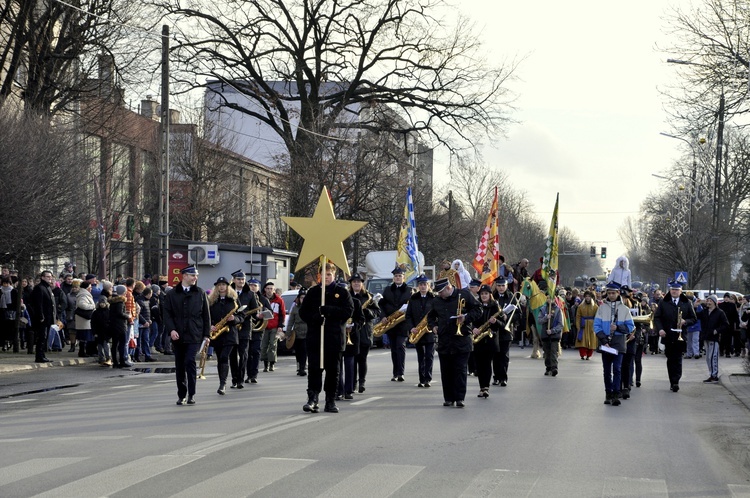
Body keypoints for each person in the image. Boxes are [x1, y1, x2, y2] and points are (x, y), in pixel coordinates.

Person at [298, 262, 354, 414]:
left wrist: (329, 311)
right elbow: (303, 312)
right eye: (323, 275)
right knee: (314, 369)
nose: (326, 277)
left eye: (329, 275)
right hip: (316, 338)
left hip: (334, 339)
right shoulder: (313, 292)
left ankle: (330, 400)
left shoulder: (342, 292)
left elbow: (348, 311)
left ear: (334, 275)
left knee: (332, 371)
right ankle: (312, 398)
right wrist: (315, 317)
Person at [427, 278, 481, 408]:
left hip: (462, 339)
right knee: (446, 371)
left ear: (448, 288)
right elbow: (430, 316)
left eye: (441, 292)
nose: (439, 295)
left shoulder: (465, 294)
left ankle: (459, 398)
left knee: (460, 370)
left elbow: (478, 310)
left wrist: (466, 318)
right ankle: (448, 398)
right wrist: (433, 326)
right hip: (444, 340)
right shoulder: (437, 301)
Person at [163, 265, 211, 405]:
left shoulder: (200, 293)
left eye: (196, 276)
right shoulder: (172, 294)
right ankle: (181, 394)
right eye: (192, 275)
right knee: (180, 365)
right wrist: (171, 330)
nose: (195, 278)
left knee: (190, 361)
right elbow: (167, 314)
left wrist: (206, 335)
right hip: (178, 335)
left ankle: (192, 394)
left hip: (194, 334)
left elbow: (206, 316)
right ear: (184, 276)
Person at [594, 282, 635, 405]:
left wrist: (617, 327)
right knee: (606, 370)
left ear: (618, 293)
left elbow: (630, 327)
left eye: (613, 293)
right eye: (609, 293)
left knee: (617, 368)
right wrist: (604, 340)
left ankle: (617, 393)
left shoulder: (624, 309)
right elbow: (596, 326)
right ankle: (608, 393)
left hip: (618, 341)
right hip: (605, 341)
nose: (611, 295)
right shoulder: (601, 308)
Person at [653, 280, 697, 393]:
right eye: (672, 289)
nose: (674, 291)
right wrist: (661, 329)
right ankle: (672, 380)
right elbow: (657, 318)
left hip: (680, 335)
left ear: (681, 291)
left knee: (677, 358)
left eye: (677, 290)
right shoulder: (664, 302)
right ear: (670, 290)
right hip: (668, 334)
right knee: (670, 358)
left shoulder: (687, 302)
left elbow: (693, 318)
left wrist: (685, 321)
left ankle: (676, 381)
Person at [208, 276, 243, 395]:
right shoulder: (212, 301)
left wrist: (235, 318)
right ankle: (221, 382)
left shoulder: (233, 300)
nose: (221, 287)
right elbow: (207, 317)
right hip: (218, 334)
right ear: (216, 287)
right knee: (220, 359)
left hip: (230, 334)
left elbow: (242, 316)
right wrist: (210, 326)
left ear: (227, 287)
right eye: (219, 285)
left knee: (224, 357)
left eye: (224, 285)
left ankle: (223, 384)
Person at [379, 266, 412, 382]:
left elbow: (412, 306)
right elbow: (381, 304)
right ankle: (395, 372)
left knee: (400, 346)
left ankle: (401, 372)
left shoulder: (409, 290)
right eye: (396, 276)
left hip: (403, 323)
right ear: (393, 278)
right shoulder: (388, 290)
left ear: (404, 277)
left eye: (400, 276)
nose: (398, 278)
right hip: (390, 323)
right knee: (393, 348)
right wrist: (383, 316)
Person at [229, 270, 260, 388]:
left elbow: (255, 310)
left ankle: (240, 379)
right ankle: (234, 379)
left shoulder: (250, 294)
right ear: (234, 280)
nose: (241, 281)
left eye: (243, 279)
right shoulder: (229, 292)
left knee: (244, 354)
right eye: (239, 279)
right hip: (231, 327)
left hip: (245, 327)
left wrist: (258, 315)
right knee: (232, 355)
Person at [405, 274, 436, 388]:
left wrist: (434, 326)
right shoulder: (413, 299)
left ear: (429, 286)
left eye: (425, 284)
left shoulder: (434, 298)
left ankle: (427, 378)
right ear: (418, 286)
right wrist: (411, 327)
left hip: (429, 332)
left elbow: (437, 315)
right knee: (420, 356)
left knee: (429, 356)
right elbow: (408, 316)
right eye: (421, 284)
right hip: (417, 331)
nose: (423, 287)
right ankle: (421, 379)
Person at [471, 285, 501, 398]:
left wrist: (495, 322)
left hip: (490, 340)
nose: (484, 296)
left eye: (486, 294)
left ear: (490, 295)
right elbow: (470, 319)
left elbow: (503, 324)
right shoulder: (475, 305)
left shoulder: (495, 306)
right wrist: (473, 328)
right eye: (482, 294)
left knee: (487, 364)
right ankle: (481, 387)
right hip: (478, 339)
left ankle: (485, 388)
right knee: (479, 366)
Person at [351, 274, 378, 393]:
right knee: (352, 359)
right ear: (351, 284)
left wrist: (367, 312)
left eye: (359, 282)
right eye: (354, 282)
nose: (356, 283)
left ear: (362, 284)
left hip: (365, 331)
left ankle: (362, 381)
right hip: (351, 330)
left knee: (362, 358)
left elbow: (377, 312)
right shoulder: (347, 296)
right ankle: (352, 383)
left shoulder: (368, 297)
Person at [697, 294, 728, 383]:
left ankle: (714, 375)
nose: (708, 302)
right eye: (707, 300)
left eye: (710, 301)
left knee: (713, 357)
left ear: (714, 302)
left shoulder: (720, 312)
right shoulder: (704, 312)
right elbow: (696, 316)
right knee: (708, 358)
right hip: (706, 337)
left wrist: (717, 330)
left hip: (714, 338)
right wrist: (695, 306)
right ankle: (711, 374)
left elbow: (725, 324)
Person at [245, 278, 271, 383]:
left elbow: (270, 312)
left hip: (258, 328)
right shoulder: (245, 297)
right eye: (250, 285)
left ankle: (254, 374)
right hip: (247, 328)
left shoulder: (263, 300)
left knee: (255, 351)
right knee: (247, 353)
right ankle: (248, 374)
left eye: (255, 286)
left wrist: (262, 315)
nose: (252, 287)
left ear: (258, 287)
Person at [491, 276, 515, 386]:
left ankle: (503, 378)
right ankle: (496, 376)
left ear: (506, 285)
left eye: (503, 285)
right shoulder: (492, 297)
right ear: (496, 286)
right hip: (495, 330)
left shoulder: (512, 297)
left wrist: (508, 317)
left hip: (506, 330)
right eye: (499, 285)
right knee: (495, 355)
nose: (501, 288)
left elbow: (518, 314)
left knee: (504, 356)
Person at [28, 270, 56, 363]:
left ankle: (42, 355)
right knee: (41, 337)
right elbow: (38, 304)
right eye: (47, 276)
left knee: (44, 337)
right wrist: (41, 316)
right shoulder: (39, 288)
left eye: (50, 276)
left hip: (48, 317)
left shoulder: (47, 287)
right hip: (42, 318)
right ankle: (39, 356)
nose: (50, 278)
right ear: (42, 277)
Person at [260, 281, 285, 373]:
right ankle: (265, 365)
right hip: (263, 326)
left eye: (271, 289)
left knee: (273, 345)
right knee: (264, 346)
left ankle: (272, 364)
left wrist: (280, 326)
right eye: (268, 288)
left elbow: (282, 314)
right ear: (265, 289)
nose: (269, 290)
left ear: (274, 290)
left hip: (274, 326)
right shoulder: (261, 299)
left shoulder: (279, 300)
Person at [538, 295, 564, 377]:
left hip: (554, 335)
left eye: (552, 298)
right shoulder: (543, 309)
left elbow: (561, 324)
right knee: (547, 352)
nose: (550, 300)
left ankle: (554, 368)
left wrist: (552, 331)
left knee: (553, 352)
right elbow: (539, 321)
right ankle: (548, 367)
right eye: (548, 298)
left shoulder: (558, 310)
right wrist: (546, 317)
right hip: (545, 334)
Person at [109, 285, 132, 368]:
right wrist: (127, 316)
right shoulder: (120, 302)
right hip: (120, 326)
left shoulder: (112, 302)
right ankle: (121, 361)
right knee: (121, 344)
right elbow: (120, 313)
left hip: (113, 325)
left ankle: (115, 361)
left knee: (115, 344)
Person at [286, 288, 308, 376]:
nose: (303, 299)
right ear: (298, 298)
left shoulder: (310, 307)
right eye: (301, 297)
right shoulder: (295, 308)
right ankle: (299, 366)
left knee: (304, 351)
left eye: (304, 297)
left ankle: (302, 368)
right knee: (298, 351)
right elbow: (291, 321)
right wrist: (288, 333)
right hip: (297, 333)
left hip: (307, 333)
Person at [74, 280, 96, 358]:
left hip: (84, 319)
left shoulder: (84, 294)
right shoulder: (83, 295)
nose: (91, 289)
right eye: (90, 287)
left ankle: (84, 351)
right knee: (84, 337)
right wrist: (93, 306)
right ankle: (82, 352)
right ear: (87, 288)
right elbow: (82, 305)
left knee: (85, 336)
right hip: (84, 319)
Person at [574, 290, 599, 360]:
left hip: (591, 325)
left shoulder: (595, 307)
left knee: (591, 340)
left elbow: (597, 317)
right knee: (581, 340)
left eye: (589, 296)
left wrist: (595, 326)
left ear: (591, 297)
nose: (587, 298)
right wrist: (578, 326)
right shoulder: (580, 306)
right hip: (583, 325)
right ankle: (582, 354)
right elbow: (578, 316)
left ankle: (589, 355)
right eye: (586, 296)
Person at [0, 276, 20, 352]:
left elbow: (16, 303)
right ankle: (4, 343)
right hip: (2, 312)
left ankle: (9, 342)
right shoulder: (1, 291)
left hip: (11, 312)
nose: (5, 285)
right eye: (4, 283)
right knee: (4, 329)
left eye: (7, 283)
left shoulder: (13, 291)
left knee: (11, 328)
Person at [718, 293, 740, 358]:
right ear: (723, 298)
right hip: (722, 324)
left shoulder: (732, 305)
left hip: (730, 324)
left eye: (727, 297)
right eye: (725, 297)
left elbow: (736, 315)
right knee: (722, 338)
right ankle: (721, 350)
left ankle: (728, 352)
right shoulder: (720, 305)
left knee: (729, 339)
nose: (726, 298)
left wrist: (737, 323)